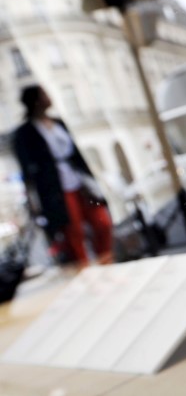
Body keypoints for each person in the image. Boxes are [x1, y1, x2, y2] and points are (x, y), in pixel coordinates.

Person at [13, 85, 113, 268]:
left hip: (79, 181)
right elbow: (27, 171)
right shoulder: (24, 133)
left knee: (102, 221)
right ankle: (84, 272)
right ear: (35, 101)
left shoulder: (58, 123)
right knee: (73, 233)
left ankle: (106, 263)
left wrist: (91, 178)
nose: (49, 97)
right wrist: (33, 200)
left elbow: (76, 154)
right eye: (44, 94)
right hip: (55, 189)